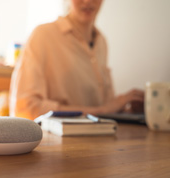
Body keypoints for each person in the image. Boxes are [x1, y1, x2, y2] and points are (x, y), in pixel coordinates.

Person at [9, 0, 144, 120]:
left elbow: (106, 107)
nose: (87, 1)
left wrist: (126, 110)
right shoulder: (42, 36)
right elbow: (25, 109)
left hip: (97, 140)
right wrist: (102, 111)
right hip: (56, 141)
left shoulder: (102, 42)